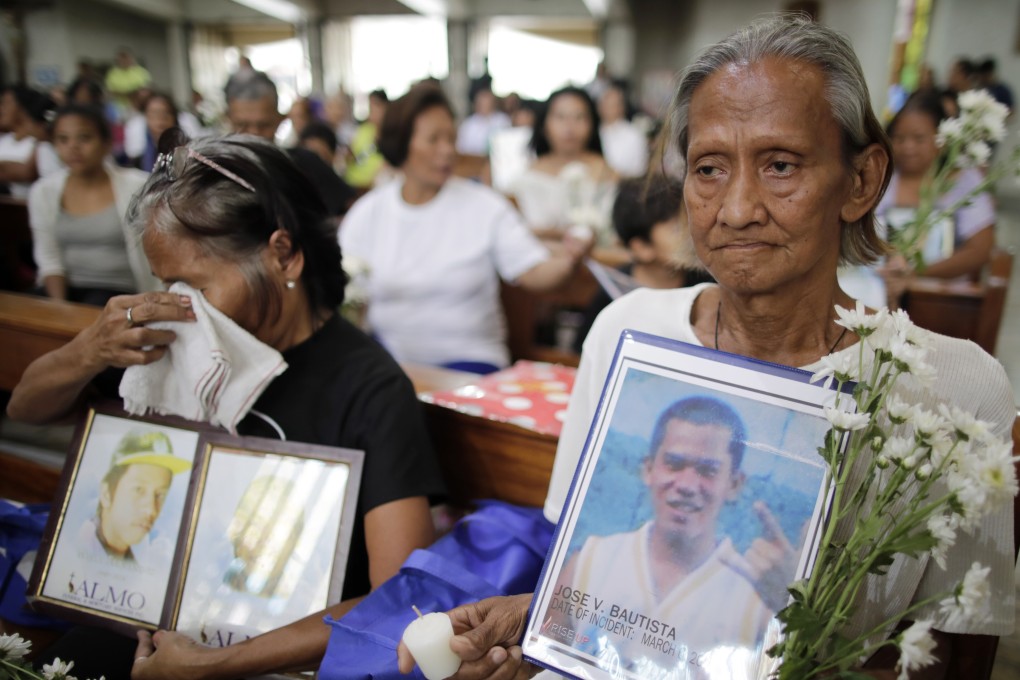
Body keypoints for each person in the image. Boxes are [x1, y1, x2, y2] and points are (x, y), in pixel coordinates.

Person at [398, 15, 1016, 680]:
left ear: (862, 181)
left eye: (781, 165)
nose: (737, 207)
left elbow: (961, 654)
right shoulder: (630, 331)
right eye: (709, 168)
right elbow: (594, 591)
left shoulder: (954, 390)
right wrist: (535, 628)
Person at [8, 133, 445, 680]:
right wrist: (88, 350)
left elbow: (395, 601)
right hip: (143, 625)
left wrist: (213, 666)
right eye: (165, 282)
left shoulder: (369, 386)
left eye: (193, 284)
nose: (177, 302)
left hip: (269, 652)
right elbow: (26, 409)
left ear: (282, 254)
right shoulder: (176, 342)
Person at [339, 84, 590, 374]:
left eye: (451, 138)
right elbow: (344, 287)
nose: (447, 150)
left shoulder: (486, 207)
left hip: (469, 367)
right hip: (389, 364)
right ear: (402, 143)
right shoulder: (369, 212)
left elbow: (533, 271)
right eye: (434, 140)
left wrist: (571, 259)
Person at [547, 396, 784, 667]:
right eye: (673, 464)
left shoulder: (757, 605)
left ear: (734, 484)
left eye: (708, 470)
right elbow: (544, 659)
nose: (686, 484)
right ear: (648, 469)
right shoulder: (589, 561)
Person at [860, 92, 996, 309]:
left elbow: (980, 250)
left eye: (919, 138)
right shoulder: (881, 176)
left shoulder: (964, 180)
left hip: (938, 296)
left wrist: (915, 274)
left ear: (942, 140)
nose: (908, 147)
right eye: (899, 138)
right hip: (876, 283)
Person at [28, 104, 157, 305]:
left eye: (85, 138)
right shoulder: (43, 191)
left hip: (119, 289)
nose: (73, 147)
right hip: (64, 288)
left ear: (106, 143)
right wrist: (59, 307)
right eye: (63, 139)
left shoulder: (138, 185)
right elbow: (48, 258)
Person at [573, 175, 712, 352]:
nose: (690, 233)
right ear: (642, 248)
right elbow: (585, 352)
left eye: (690, 221)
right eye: (677, 228)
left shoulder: (704, 287)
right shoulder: (612, 295)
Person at [226, 74, 356, 215]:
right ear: (228, 119)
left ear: (280, 119)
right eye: (242, 125)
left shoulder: (307, 165)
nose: (254, 133)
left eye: (263, 125)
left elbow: (352, 212)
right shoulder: (215, 173)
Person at [509, 86, 616, 239]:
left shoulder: (608, 173)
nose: (569, 127)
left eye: (579, 117)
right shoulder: (525, 178)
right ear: (544, 124)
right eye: (560, 117)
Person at [79, 430, 191, 563]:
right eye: (139, 489)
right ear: (106, 493)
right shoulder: (74, 550)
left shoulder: (141, 557)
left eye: (159, 494)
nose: (151, 510)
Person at [0, 85, 60, 197]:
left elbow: (27, 172)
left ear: (22, 108)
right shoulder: (4, 140)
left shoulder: (42, 143)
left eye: (6, 103)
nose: (1, 109)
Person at [597, 80, 648, 178]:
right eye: (605, 104)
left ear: (621, 107)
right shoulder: (592, 132)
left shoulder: (634, 135)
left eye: (613, 105)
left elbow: (639, 171)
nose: (608, 108)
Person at [344, 89, 389, 189]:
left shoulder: (393, 134)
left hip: (376, 187)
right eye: (370, 106)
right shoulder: (361, 130)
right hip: (353, 184)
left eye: (376, 106)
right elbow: (350, 156)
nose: (371, 111)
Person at [456, 86, 510, 156]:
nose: (484, 105)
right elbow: (461, 149)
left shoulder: (503, 121)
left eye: (487, 102)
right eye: (481, 102)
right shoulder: (467, 125)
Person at [104, 48, 151, 114]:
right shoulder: (112, 73)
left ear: (131, 58)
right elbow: (111, 92)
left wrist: (122, 92)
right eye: (121, 59)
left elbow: (145, 91)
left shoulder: (141, 72)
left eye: (126, 58)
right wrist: (132, 92)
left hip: (138, 106)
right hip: (118, 108)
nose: (124, 61)